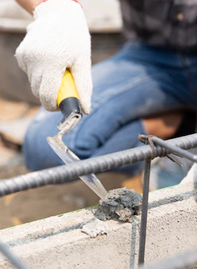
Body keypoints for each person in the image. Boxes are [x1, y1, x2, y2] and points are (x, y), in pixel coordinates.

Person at [15, 0, 197, 189]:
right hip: (150, 54)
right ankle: (176, 123)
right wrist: (53, 10)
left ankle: (184, 143)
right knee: (44, 151)